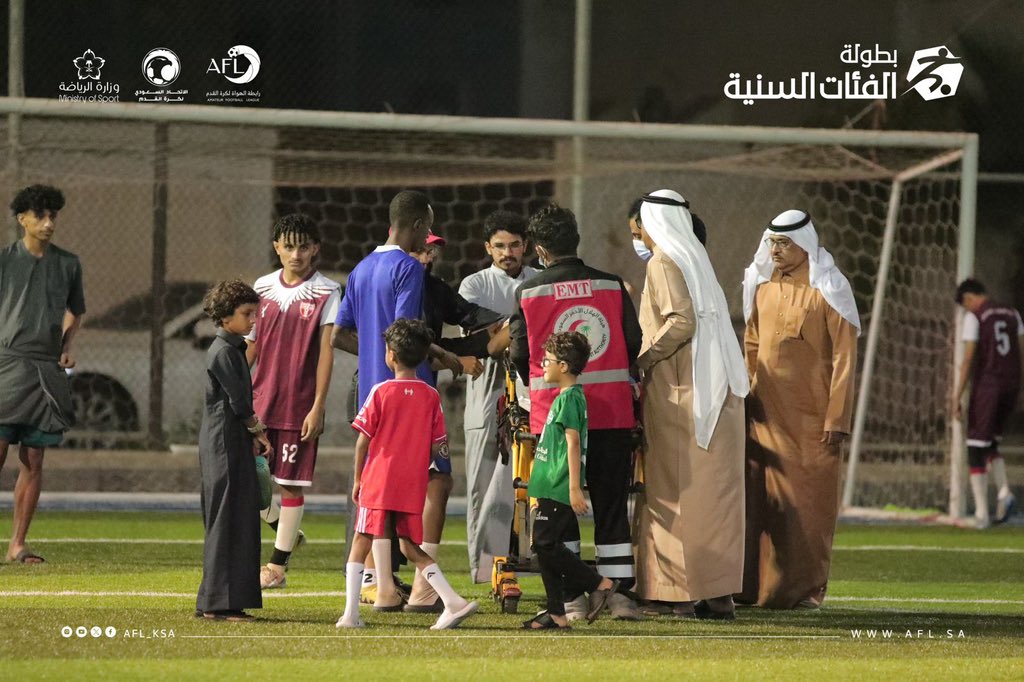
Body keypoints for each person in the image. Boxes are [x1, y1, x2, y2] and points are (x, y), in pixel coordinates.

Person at [509, 204, 643, 620]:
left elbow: (519, 353)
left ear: (540, 250)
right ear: (577, 240)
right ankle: (619, 596)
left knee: (558, 507)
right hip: (612, 413)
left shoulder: (529, 292)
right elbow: (633, 340)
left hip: (556, 416)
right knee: (611, 505)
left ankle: (572, 598)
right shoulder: (611, 285)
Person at [332, 190, 461, 610]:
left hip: (372, 395)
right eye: (428, 227)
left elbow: (339, 335)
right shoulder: (407, 267)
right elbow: (407, 331)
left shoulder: (361, 268)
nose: (428, 237)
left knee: (381, 493)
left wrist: (374, 353)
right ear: (419, 225)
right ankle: (425, 590)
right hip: (408, 395)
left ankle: (384, 588)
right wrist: (444, 355)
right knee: (437, 480)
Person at [630, 190, 748, 620]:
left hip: (682, 394)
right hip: (720, 393)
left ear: (653, 224)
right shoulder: (698, 259)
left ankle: (675, 596)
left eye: (639, 229)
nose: (639, 237)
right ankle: (719, 597)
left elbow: (681, 321)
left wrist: (641, 360)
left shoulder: (663, 262)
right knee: (715, 499)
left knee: (671, 493)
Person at [738, 209, 860, 610]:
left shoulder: (830, 288)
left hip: (813, 420)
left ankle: (806, 590)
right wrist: (745, 401)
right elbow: (751, 346)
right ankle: (751, 589)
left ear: (805, 244)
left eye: (784, 243)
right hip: (764, 416)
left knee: (809, 509)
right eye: (772, 242)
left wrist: (838, 416)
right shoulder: (761, 286)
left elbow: (844, 357)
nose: (775, 250)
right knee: (758, 503)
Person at [336, 318, 478, 630]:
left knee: (361, 539)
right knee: (409, 545)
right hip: (412, 482)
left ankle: (350, 614)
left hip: (379, 479)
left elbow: (363, 440)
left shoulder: (381, 391)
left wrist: (358, 479)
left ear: (390, 355)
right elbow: (438, 445)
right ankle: (453, 601)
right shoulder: (430, 395)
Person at [246, 214, 342, 590]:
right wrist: (233, 387)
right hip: (259, 403)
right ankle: (284, 528)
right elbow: (251, 345)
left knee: (289, 484)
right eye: (288, 246)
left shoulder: (327, 291)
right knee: (248, 479)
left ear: (315, 248)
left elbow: (326, 352)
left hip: (297, 406)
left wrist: (318, 406)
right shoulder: (262, 287)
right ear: (277, 248)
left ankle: (278, 566)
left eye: (303, 246)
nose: (296, 254)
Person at [0, 185, 83, 564]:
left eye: (53, 216)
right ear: (22, 219)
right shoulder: (5, 261)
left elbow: (75, 311)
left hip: (44, 370)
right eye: (40, 216)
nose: (48, 223)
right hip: (6, 365)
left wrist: (65, 345)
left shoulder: (68, 264)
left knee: (34, 458)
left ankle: (17, 545)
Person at [457, 210, 540, 582]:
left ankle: (529, 563)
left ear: (526, 246)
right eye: (500, 246)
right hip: (487, 398)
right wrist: (522, 324)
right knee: (484, 484)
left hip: (533, 394)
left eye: (515, 245)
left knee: (530, 484)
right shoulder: (474, 285)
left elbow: (502, 333)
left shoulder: (539, 279)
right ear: (488, 248)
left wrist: (506, 330)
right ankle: (484, 568)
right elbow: (487, 339)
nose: (508, 252)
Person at [523, 331, 621, 629]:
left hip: (558, 485)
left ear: (563, 366)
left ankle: (599, 583)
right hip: (548, 485)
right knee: (546, 547)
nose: (543, 365)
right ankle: (557, 613)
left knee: (544, 544)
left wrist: (574, 487)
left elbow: (573, 442)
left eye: (548, 360)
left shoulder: (571, 399)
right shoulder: (565, 398)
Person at [196, 279, 272, 621]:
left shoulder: (230, 348)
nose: (253, 320)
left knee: (231, 518)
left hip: (228, 440)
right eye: (246, 313)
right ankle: (219, 603)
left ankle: (214, 599)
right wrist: (258, 430)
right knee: (229, 519)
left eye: (254, 313)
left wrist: (251, 433)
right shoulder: (225, 352)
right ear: (226, 317)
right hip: (224, 442)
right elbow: (240, 403)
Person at [953, 278, 1022, 528]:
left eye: (965, 305)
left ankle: (982, 515)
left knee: (975, 445)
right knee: (990, 442)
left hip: (988, 386)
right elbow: (1021, 350)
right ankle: (1004, 493)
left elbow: (969, 357)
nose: (967, 309)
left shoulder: (976, 317)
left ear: (969, 298)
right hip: (1011, 384)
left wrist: (957, 395)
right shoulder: (1013, 313)